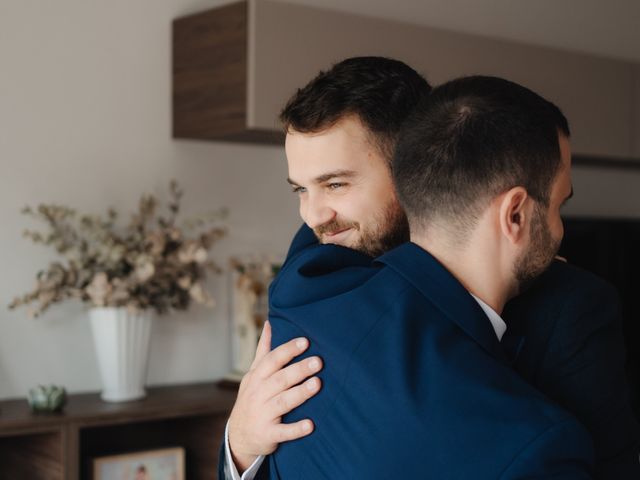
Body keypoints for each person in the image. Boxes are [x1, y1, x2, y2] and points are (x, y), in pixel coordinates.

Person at [221, 58, 639, 479]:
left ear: (415, 165)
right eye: (300, 189)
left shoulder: (570, 307)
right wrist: (240, 447)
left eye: (335, 184)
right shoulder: (313, 275)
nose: (313, 217)